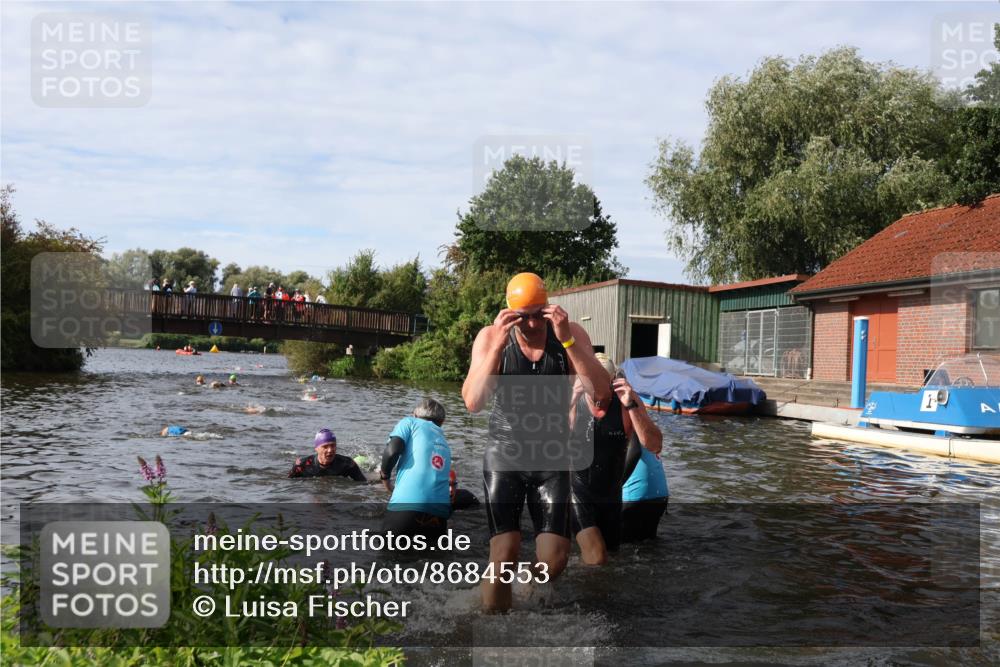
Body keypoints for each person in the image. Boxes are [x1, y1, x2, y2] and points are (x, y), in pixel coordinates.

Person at [462, 272, 611, 612]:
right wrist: (499, 344)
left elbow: (601, 393)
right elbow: (473, 402)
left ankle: (525, 592)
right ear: (509, 313)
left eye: (538, 314)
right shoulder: (490, 337)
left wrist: (568, 341)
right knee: (505, 552)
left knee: (555, 559)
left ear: (549, 307)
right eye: (523, 316)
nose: (531, 324)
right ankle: (493, 625)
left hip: (552, 458)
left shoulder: (570, 335)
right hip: (506, 454)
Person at [570, 354, 663, 564]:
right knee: (597, 556)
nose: (598, 390)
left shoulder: (626, 402)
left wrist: (632, 406)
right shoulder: (573, 398)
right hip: (576, 492)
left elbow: (654, 445)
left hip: (611, 496)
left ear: (613, 381)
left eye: (604, 383)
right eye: (592, 381)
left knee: (610, 563)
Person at [379, 399, 452, 540]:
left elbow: (392, 451)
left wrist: (385, 478)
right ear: (442, 422)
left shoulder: (409, 422)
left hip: (406, 508)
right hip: (440, 515)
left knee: (387, 558)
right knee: (431, 560)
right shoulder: (443, 440)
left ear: (414, 415)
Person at [621, 427, 668, 543]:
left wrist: (616, 486)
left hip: (635, 495)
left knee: (619, 548)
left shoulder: (624, 419)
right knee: (648, 546)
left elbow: (635, 451)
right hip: (659, 494)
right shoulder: (642, 422)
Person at [289, 429, 367, 480]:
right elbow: (288, 483)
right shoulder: (301, 465)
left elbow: (363, 484)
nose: (330, 450)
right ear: (316, 448)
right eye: (325, 446)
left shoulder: (347, 464)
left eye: (333, 445)